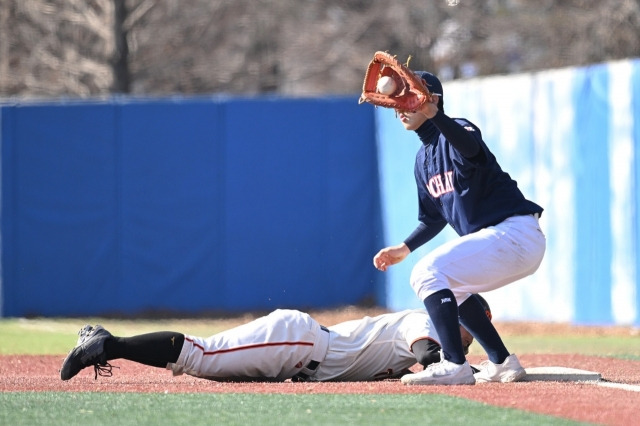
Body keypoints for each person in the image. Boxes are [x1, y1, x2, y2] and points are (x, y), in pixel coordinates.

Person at [373, 71, 546, 386]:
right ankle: (502, 361)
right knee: (451, 285)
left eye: (407, 100)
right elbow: (433, 218)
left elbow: (470, 149)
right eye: (396, 104)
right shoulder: (422, 159)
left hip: (515, 232)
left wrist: (435, 115)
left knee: (426, 273)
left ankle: (454, 363)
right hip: (502, 240)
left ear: (431, 99)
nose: (400, 109)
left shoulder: (459, 130)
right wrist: (405, 247)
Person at [59, 297, 489, 382]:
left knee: (202, 361)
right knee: (200, 355)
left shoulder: (433, 327)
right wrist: (467, 370)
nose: (472, 340)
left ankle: (108, 343)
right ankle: (104, 343)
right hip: (298, 344)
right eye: (475, 328)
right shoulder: (428, 320)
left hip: (303, 353)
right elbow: (427, 352)